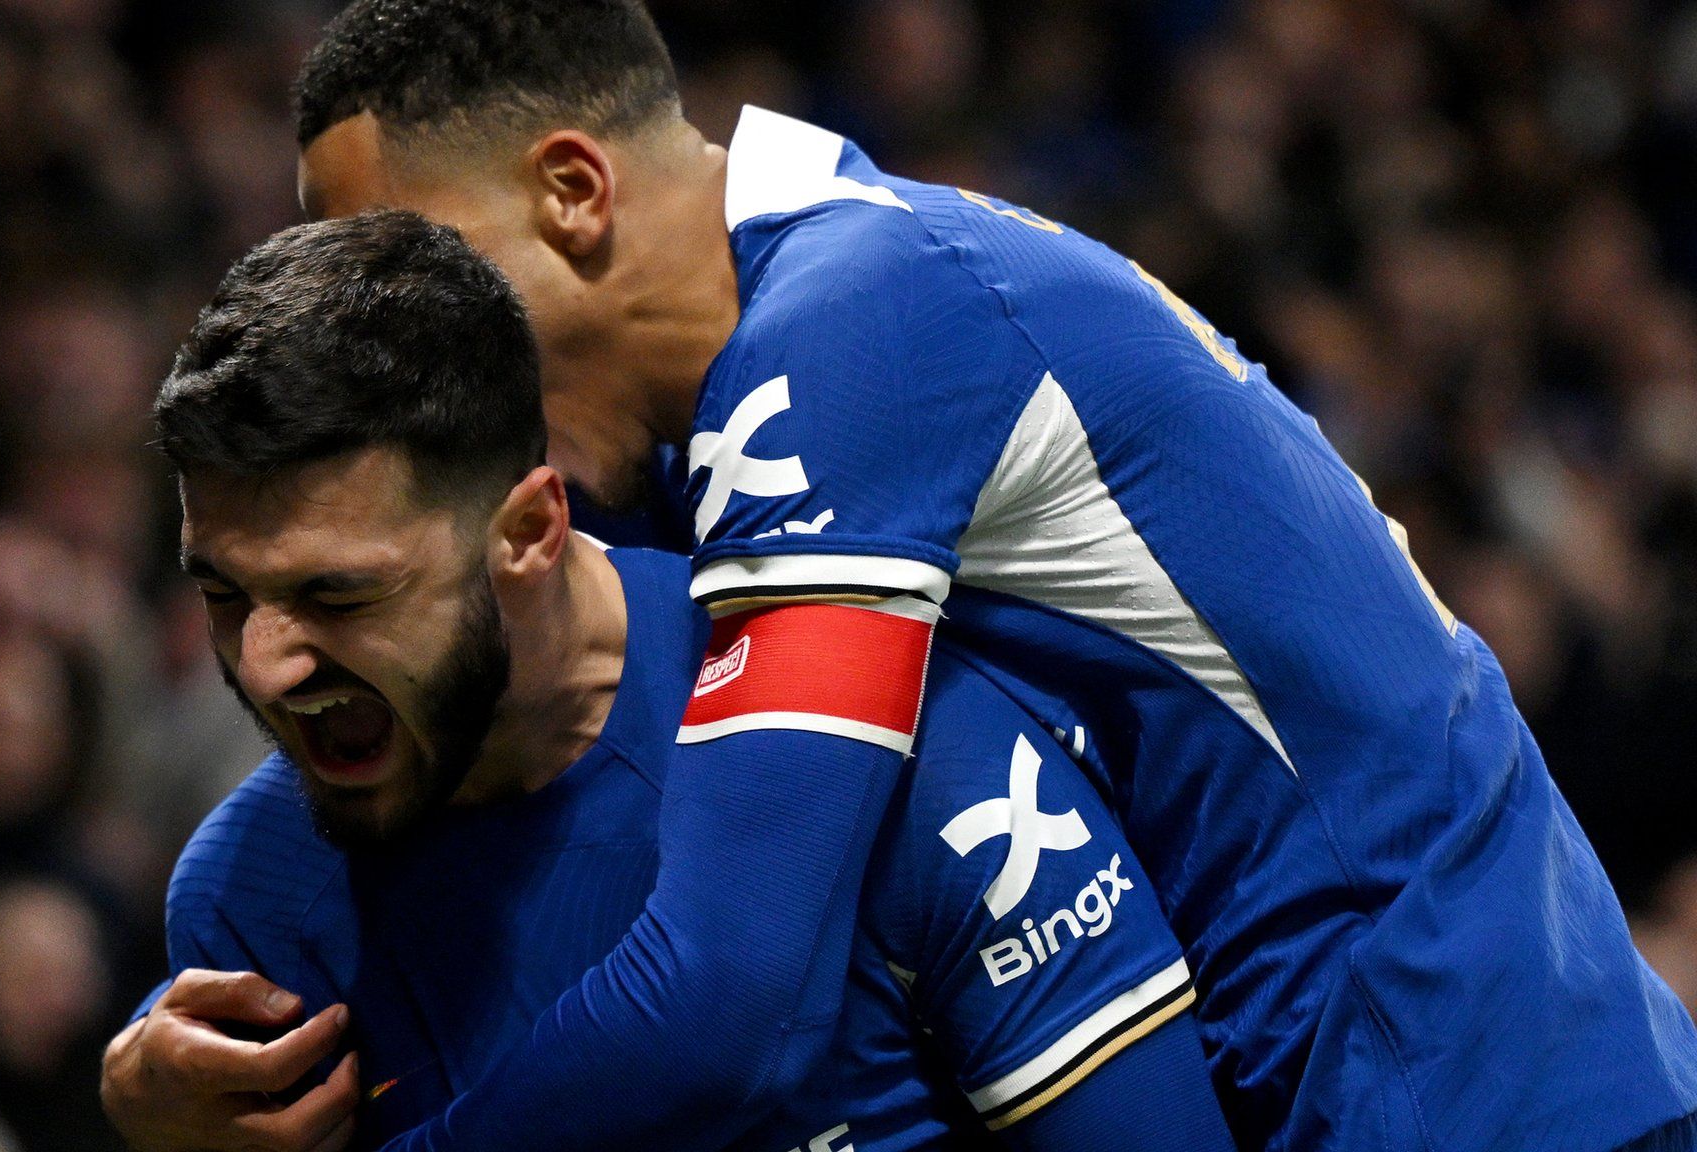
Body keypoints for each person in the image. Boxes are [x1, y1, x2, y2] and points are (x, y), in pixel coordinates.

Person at [276, 3, 1697, 1151]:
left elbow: (730, 986)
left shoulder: (843, 342)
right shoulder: (829, 319)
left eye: (423, 282)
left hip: (1440, 1078)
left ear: (574, 192)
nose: (416, 373)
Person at [100, 213, 1236, 1151]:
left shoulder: (881, 747)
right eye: (224, 595)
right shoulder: (250, 904)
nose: (265, 665)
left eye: (340, 598)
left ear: (531, 531)